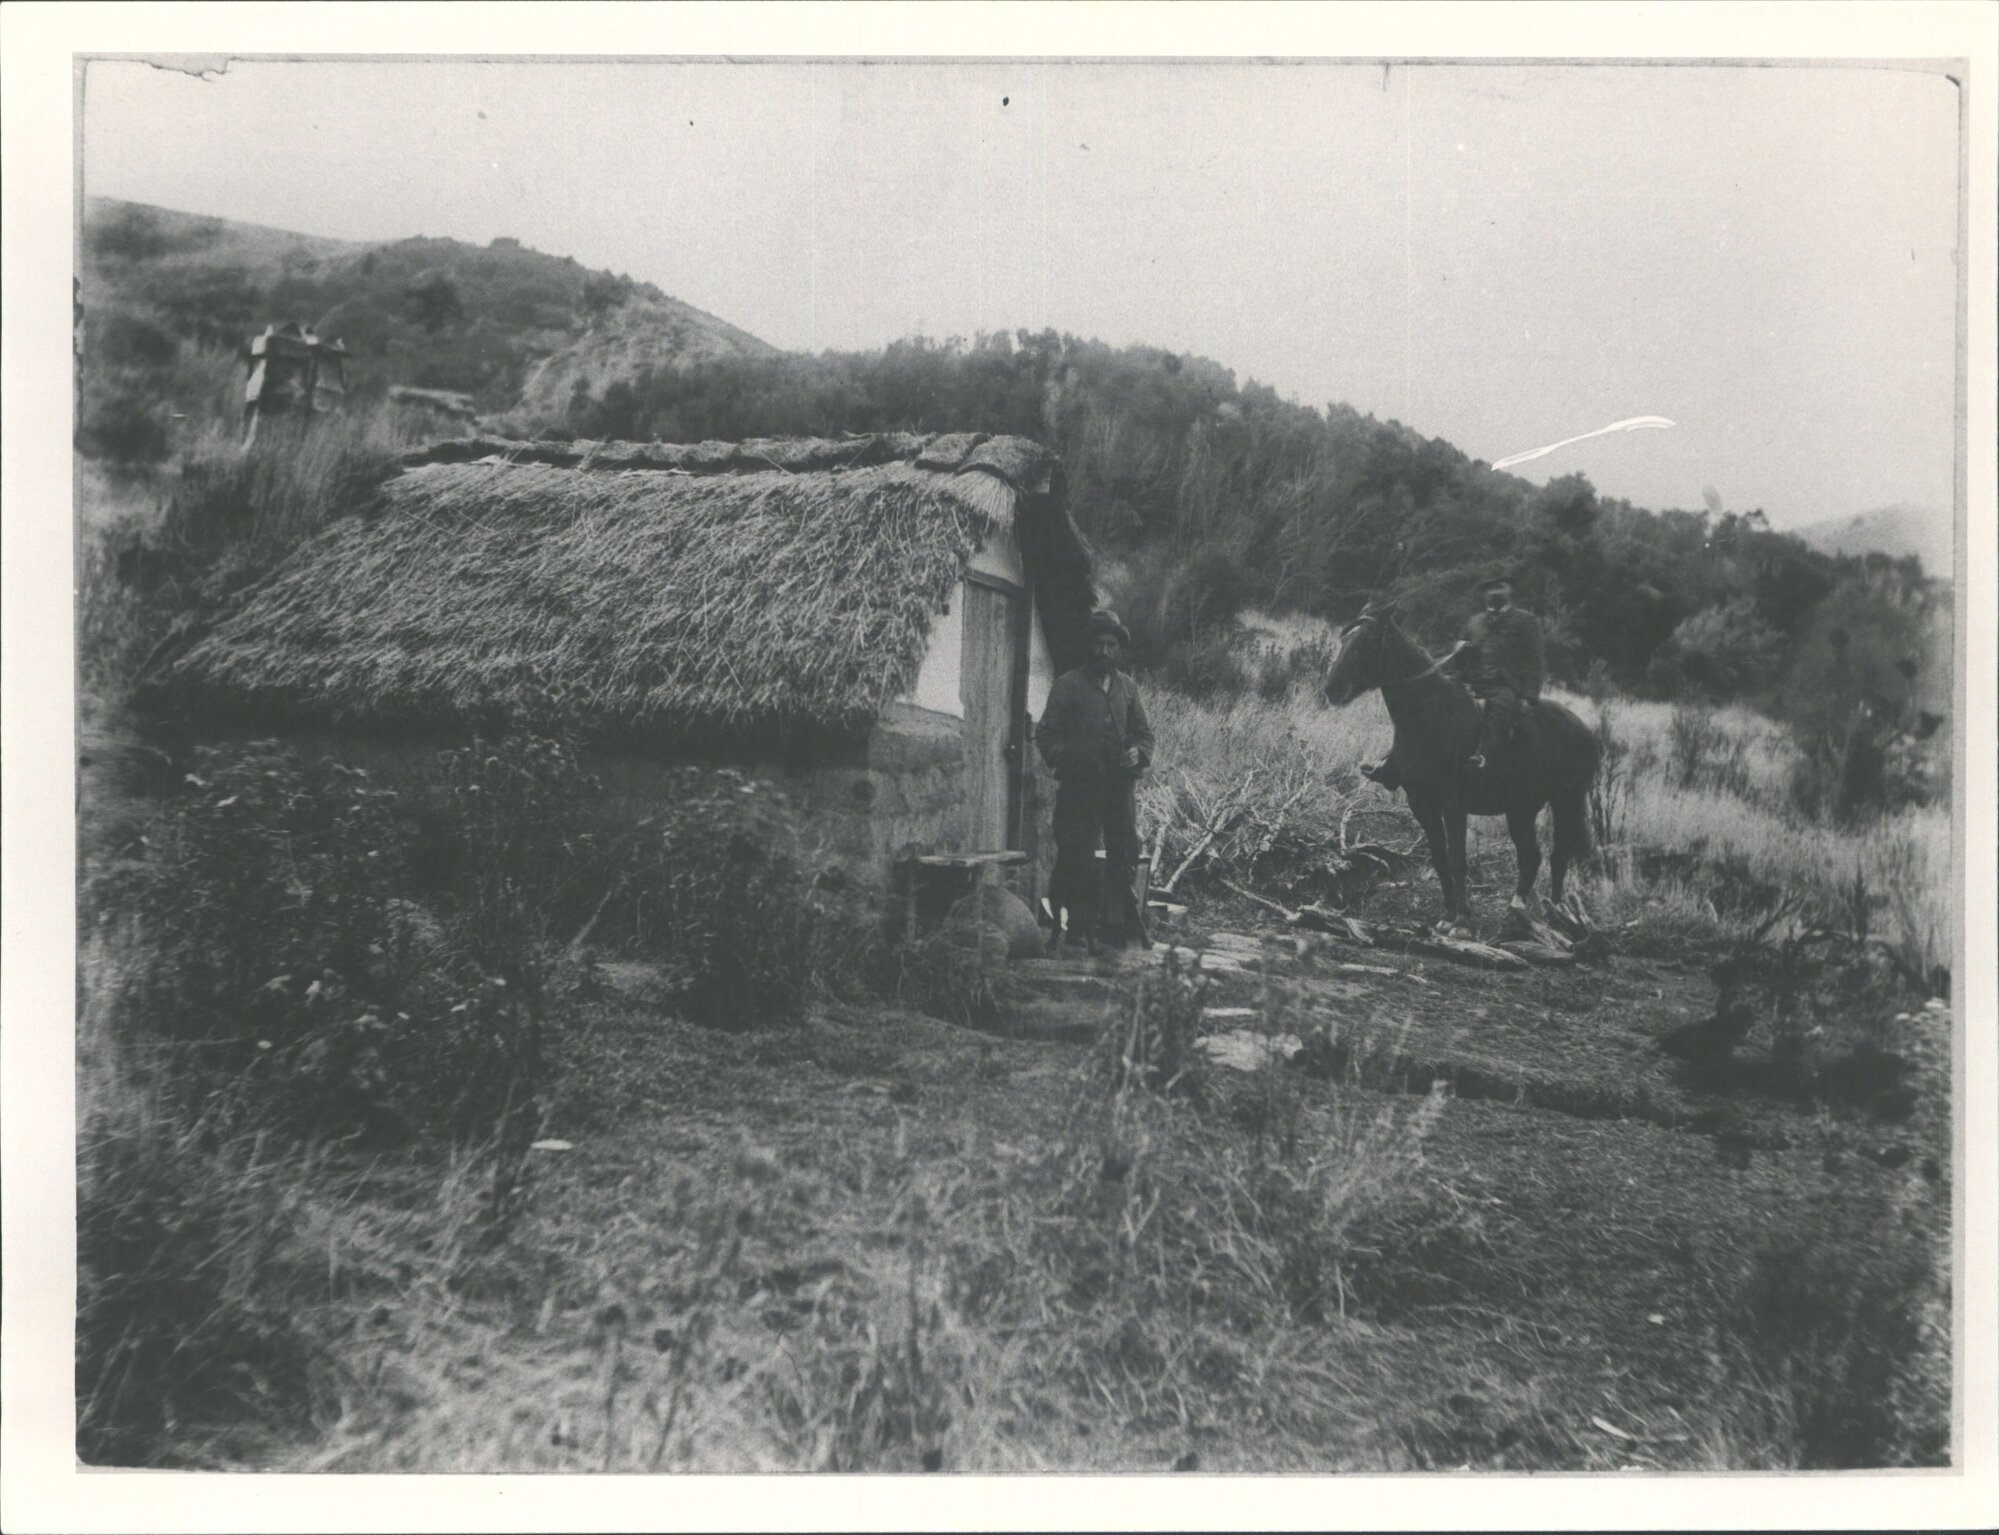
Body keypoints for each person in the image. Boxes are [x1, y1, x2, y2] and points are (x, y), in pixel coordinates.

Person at [1035, 609, 1155, 952]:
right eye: (1099, 644)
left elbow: (1144, 734)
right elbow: (1046, 735)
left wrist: (1138, 753)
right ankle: (1077, 928)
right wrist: (1069, 758)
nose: (1104, 651)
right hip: (1080, 788)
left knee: (1123, 853)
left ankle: (1113, 926)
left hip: (1118, 787)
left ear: (1118, 649)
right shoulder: (1068, 685)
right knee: (1077, 855)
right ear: (1089, 647)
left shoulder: (1127, 689)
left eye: (1111, 644)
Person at [1447, 570, 1545, 794]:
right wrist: (1460, 651)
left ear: (1510, 590)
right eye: (1489, 588)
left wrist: (1529, 697)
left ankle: (1483, 758)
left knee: (1499, 708)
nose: (1494, 592)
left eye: (1499, 586)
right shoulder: (1473, 622)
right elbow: (1459, 660)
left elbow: (1535, 661)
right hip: (1470, 684)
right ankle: (1394, 762)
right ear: (1484, 594)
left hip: (1504, 687)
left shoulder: (1525, 621)